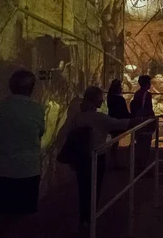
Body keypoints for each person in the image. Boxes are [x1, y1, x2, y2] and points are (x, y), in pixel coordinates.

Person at [63, 86, 132, 232]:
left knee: (83, 188)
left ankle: (84, 219)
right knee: (95, 188)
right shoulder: (98, 118)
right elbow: (119, 123)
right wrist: (141, 119)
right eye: (100, 97)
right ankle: (91, 219)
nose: (103, 100)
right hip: (96, 157)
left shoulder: (78, 116)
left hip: (81, 157)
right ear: (96, 100)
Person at [0, 70, 45, 238]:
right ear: (31, 88)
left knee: (4, 212)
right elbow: (40, 133)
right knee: (25, 212)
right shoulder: (37, 109)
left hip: (3, 167)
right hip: (28, 168)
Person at [129, 75, 156, 176]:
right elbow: (149, 109)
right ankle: (142, 168)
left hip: (138, 121)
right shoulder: (147, 94)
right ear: (147, 83)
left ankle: (138, 167)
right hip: (145, 122)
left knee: (139, 145)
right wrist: (153, 119)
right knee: (145, 146)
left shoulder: (137, 93)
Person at [107, 79, 130, 169]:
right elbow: (124, 111)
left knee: (115, 141)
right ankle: (113, 162)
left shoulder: (110, 97)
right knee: (115, 142)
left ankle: (113, 161)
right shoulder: (119, 99)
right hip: (119, 122)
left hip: (112, 119)